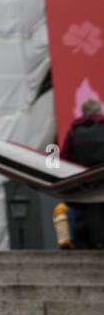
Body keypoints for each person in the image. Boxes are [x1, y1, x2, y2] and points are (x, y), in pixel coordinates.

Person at [62, 98, 104, 248]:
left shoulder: (73, 132)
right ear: (99, 111)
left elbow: (64, 157)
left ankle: (94, 242)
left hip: (83, 182)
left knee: (87, 212)